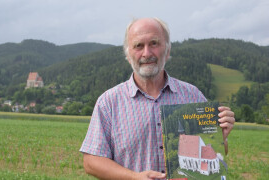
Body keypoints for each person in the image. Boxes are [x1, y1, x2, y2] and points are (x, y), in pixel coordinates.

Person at [79, 17, 235, 180]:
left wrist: (219, 137)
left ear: (167, 51)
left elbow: (214, 153)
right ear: (128, 54)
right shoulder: (109, 102)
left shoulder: (193, 95)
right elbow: (91, 161)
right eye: (138, 45)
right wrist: (133, 177)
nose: (147, 53)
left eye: (154, 43)